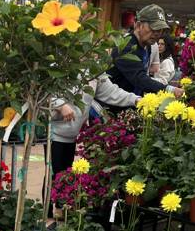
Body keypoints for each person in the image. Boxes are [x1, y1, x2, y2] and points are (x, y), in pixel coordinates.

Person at [44, 74, 140, 217]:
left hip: (71, 133)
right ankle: (47, 216)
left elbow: (111, 92)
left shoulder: (95, 71)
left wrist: (135, 99)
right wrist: (60, 105)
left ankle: (60, 212)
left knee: (64, 174)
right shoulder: (65, 61)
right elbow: (45, 90)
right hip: (54, 131)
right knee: (54, 174)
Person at [106, 4, 184, 103]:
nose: (157, 33)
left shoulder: (148, 46)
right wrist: (169, 89)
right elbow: (139, 78)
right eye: (153, 28)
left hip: (133, 103)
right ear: (138, 25)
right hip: (114, 104)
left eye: (160, 30)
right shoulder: (127, 47)